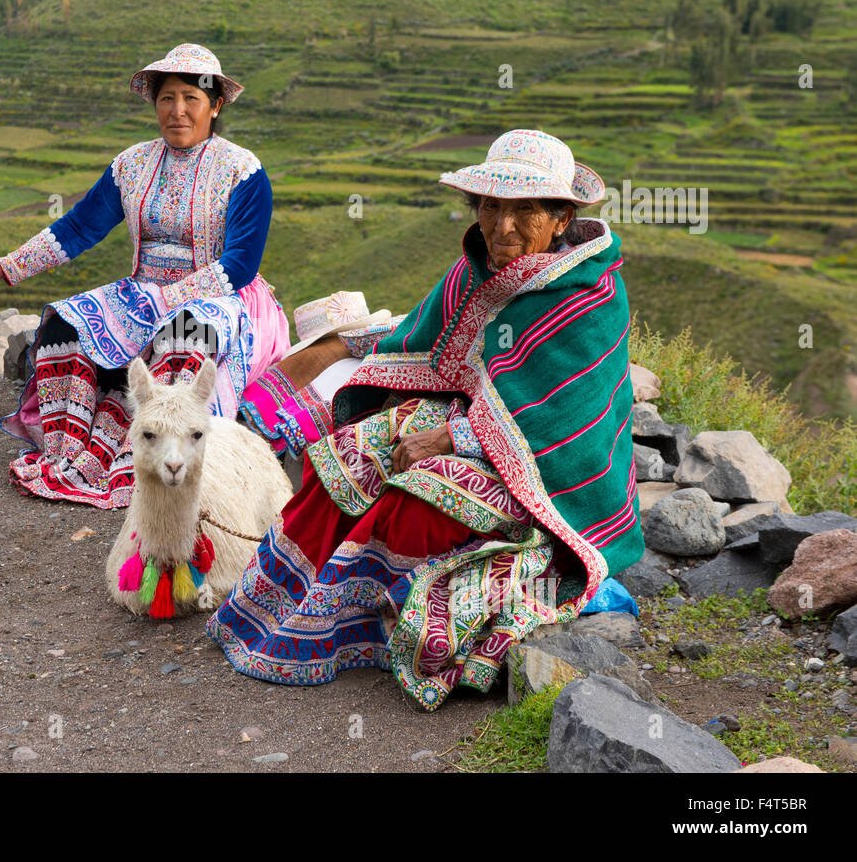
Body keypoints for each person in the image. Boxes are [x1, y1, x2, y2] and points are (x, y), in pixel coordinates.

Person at [207, 129, 644, 711]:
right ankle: (270, 607)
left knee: (419, 498)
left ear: (563, 217)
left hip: (546, 480)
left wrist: (450, 439)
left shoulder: (591, 299)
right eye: (492, 206)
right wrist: (341, 350)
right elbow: (417, 335)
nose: (503, 227)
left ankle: (349, 631)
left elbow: (565, 421)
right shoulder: (475, 270)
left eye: (526, 211)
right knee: (345, 458)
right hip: (477, 425)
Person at [0, 43, 289, 509]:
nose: (177, 111)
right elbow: (79, 227)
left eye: (191, 99)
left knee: (186, 335)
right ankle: (69, 450)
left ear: (215, 105)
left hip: (221, 295)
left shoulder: (243, 171)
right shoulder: (132, 165)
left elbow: (239, 265)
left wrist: (167, 302)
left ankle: (158, 457)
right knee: (66, 324)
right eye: (166, 98)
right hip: (142, 292)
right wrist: (8, 266)